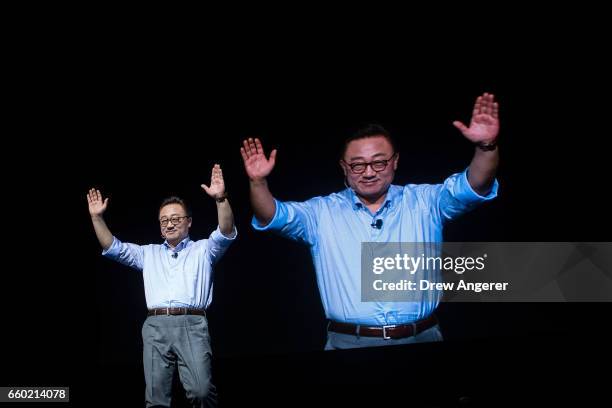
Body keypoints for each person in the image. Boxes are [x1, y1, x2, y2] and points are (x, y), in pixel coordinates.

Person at [240, 93, 500, 350]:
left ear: (395, 161)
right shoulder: (321, 213)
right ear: (344, 167)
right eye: (358, 165)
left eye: (379, 163)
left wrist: (485, 146)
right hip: (348, 343)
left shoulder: (425, 201)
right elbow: (271, 215)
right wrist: (258, 182)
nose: (368, 172)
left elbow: (474, 185)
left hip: (422, 337)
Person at [87, 164, 236, 407]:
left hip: (192, 324)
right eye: (164, 220)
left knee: (201, 392)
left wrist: (220, 198)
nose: (169, 224)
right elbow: (113, 247)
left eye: (176, 218)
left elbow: (226, 231)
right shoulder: (148, 253)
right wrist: (96, 217)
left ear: (188, 222)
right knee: (156, 398)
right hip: (155, 325)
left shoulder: (203, 249)